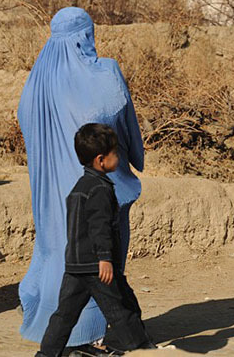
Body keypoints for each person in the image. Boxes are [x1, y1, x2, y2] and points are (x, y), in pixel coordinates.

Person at [18, 7, 144, 347]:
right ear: (86, 36)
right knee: (106, 260)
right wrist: (133, 156)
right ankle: (103, 334)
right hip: (102, 188)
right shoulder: (105, 73)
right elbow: (123, 124)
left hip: (53, 195)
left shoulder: (36, 84)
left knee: (61, 253)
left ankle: (56, 336)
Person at [36, 124, 154, 357]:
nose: (118, 158)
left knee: (64, 315)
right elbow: (100, 228)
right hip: (97, 266)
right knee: (122, 309)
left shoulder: (79, 187)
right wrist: (105, 259)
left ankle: (46, 354)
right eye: (116, 153)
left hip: (75, 265)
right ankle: (143, 351)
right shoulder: (100, 189)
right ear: (101, 160)